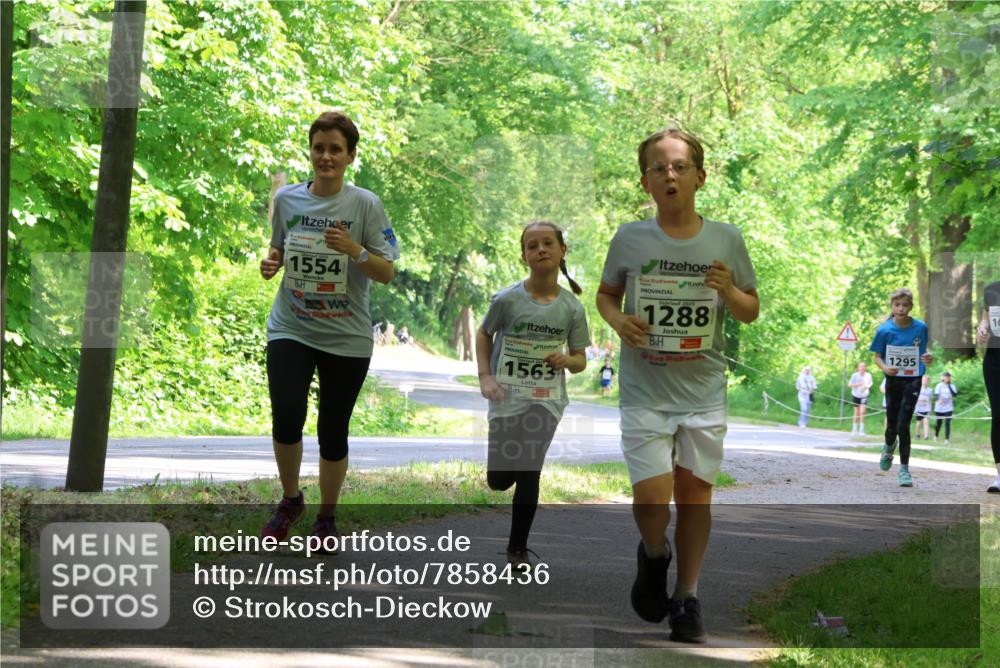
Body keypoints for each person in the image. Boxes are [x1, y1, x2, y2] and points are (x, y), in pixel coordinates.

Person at [597, 128, 759, 644]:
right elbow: (605, 295)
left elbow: (750, 310)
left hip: (703, 390)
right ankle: (654, 553)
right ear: (645, 181)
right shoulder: (629, 238)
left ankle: (687, 598)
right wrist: (618, 321)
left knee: (694, 495)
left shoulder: (726, 239)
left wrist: (729, 289)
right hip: (645, 389)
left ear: (700, 177)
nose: (670, 175)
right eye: (659, 168)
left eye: (680, 166)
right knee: (651, 498)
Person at [258, 111, 399, 546]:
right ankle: (290, 500)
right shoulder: (288, 200)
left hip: (346, 335)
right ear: (310, 151)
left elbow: (387, 271)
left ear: (350, 156)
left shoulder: (365, 204)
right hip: (292, 326)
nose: (326, 157)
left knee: (332, 430)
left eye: (336, 149)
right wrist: (272, 263)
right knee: (287, 413)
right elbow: (279, 249)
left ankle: (326, 518)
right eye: (319, 148)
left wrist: (355, 249)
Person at [476, 221, 590, 569]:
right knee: (499, 480)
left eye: (548, 243)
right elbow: (484, 334)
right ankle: (506, 474)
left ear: (562, 250)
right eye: (532, 245)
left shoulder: (572, 308)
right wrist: (485, 377)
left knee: (529, 468)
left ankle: (517, 549)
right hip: (506, 397)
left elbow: (581, 360)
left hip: (546, 399)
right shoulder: (508, 300)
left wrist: (567, 359)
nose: (541, 249)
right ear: (524, 256)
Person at [870, 288, 933, 487]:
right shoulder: (884, 330)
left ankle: (904, 470)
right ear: (892, 306)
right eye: (897, 305)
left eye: (905, 305)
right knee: (891, 427)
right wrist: (885, 367)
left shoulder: (921, 327)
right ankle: (889, 447)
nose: (901, 309)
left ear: (911, 306)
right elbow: (877, 357)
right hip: (893, 379)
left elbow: (923, 351)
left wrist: (928, 357)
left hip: (913, 378)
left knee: (903, 424)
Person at [976, 280, 1000, 493]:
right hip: (995, 360)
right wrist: (982, 327)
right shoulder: (992, 289)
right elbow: (985, 318)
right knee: (998, 415)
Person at [848, 362, 873, 436]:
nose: (862, 368)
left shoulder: (868, 375)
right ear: (858, 368)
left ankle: (861, 430)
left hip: (864, 395)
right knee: (856, 412)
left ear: (865, 368)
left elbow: (871, 383)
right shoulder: (854, 375)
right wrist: (858, 384)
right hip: (856, 395)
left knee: (862, 412)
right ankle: (854, 429)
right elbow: (849, 385)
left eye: (863, 366)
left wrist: (868, 386)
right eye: (861, 366)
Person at [933, 372, 958, 445]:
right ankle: (936, 435)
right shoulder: (939, 385)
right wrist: (939, 400)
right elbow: (936, 395)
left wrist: (949, 386)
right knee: (939, 423)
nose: (948, 378)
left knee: (947, 423)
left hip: (948, 407)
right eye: (946, 377)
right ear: (943, 378)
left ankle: (947, 439)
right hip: (939, 407)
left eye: (949, 377)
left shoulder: (952, 386)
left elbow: (954, 395)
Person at [914, 375, 932, 440]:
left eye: (927, 380)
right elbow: (914, 397)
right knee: (919, 422)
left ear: (929, 382)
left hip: (926, 408)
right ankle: (917, 434)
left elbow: (930, 400)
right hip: (918, 408)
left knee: (926, 421)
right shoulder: (917, 388)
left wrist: (930, 409)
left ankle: (926, 436)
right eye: (924, 380)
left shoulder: (930, 390)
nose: (925, 382)